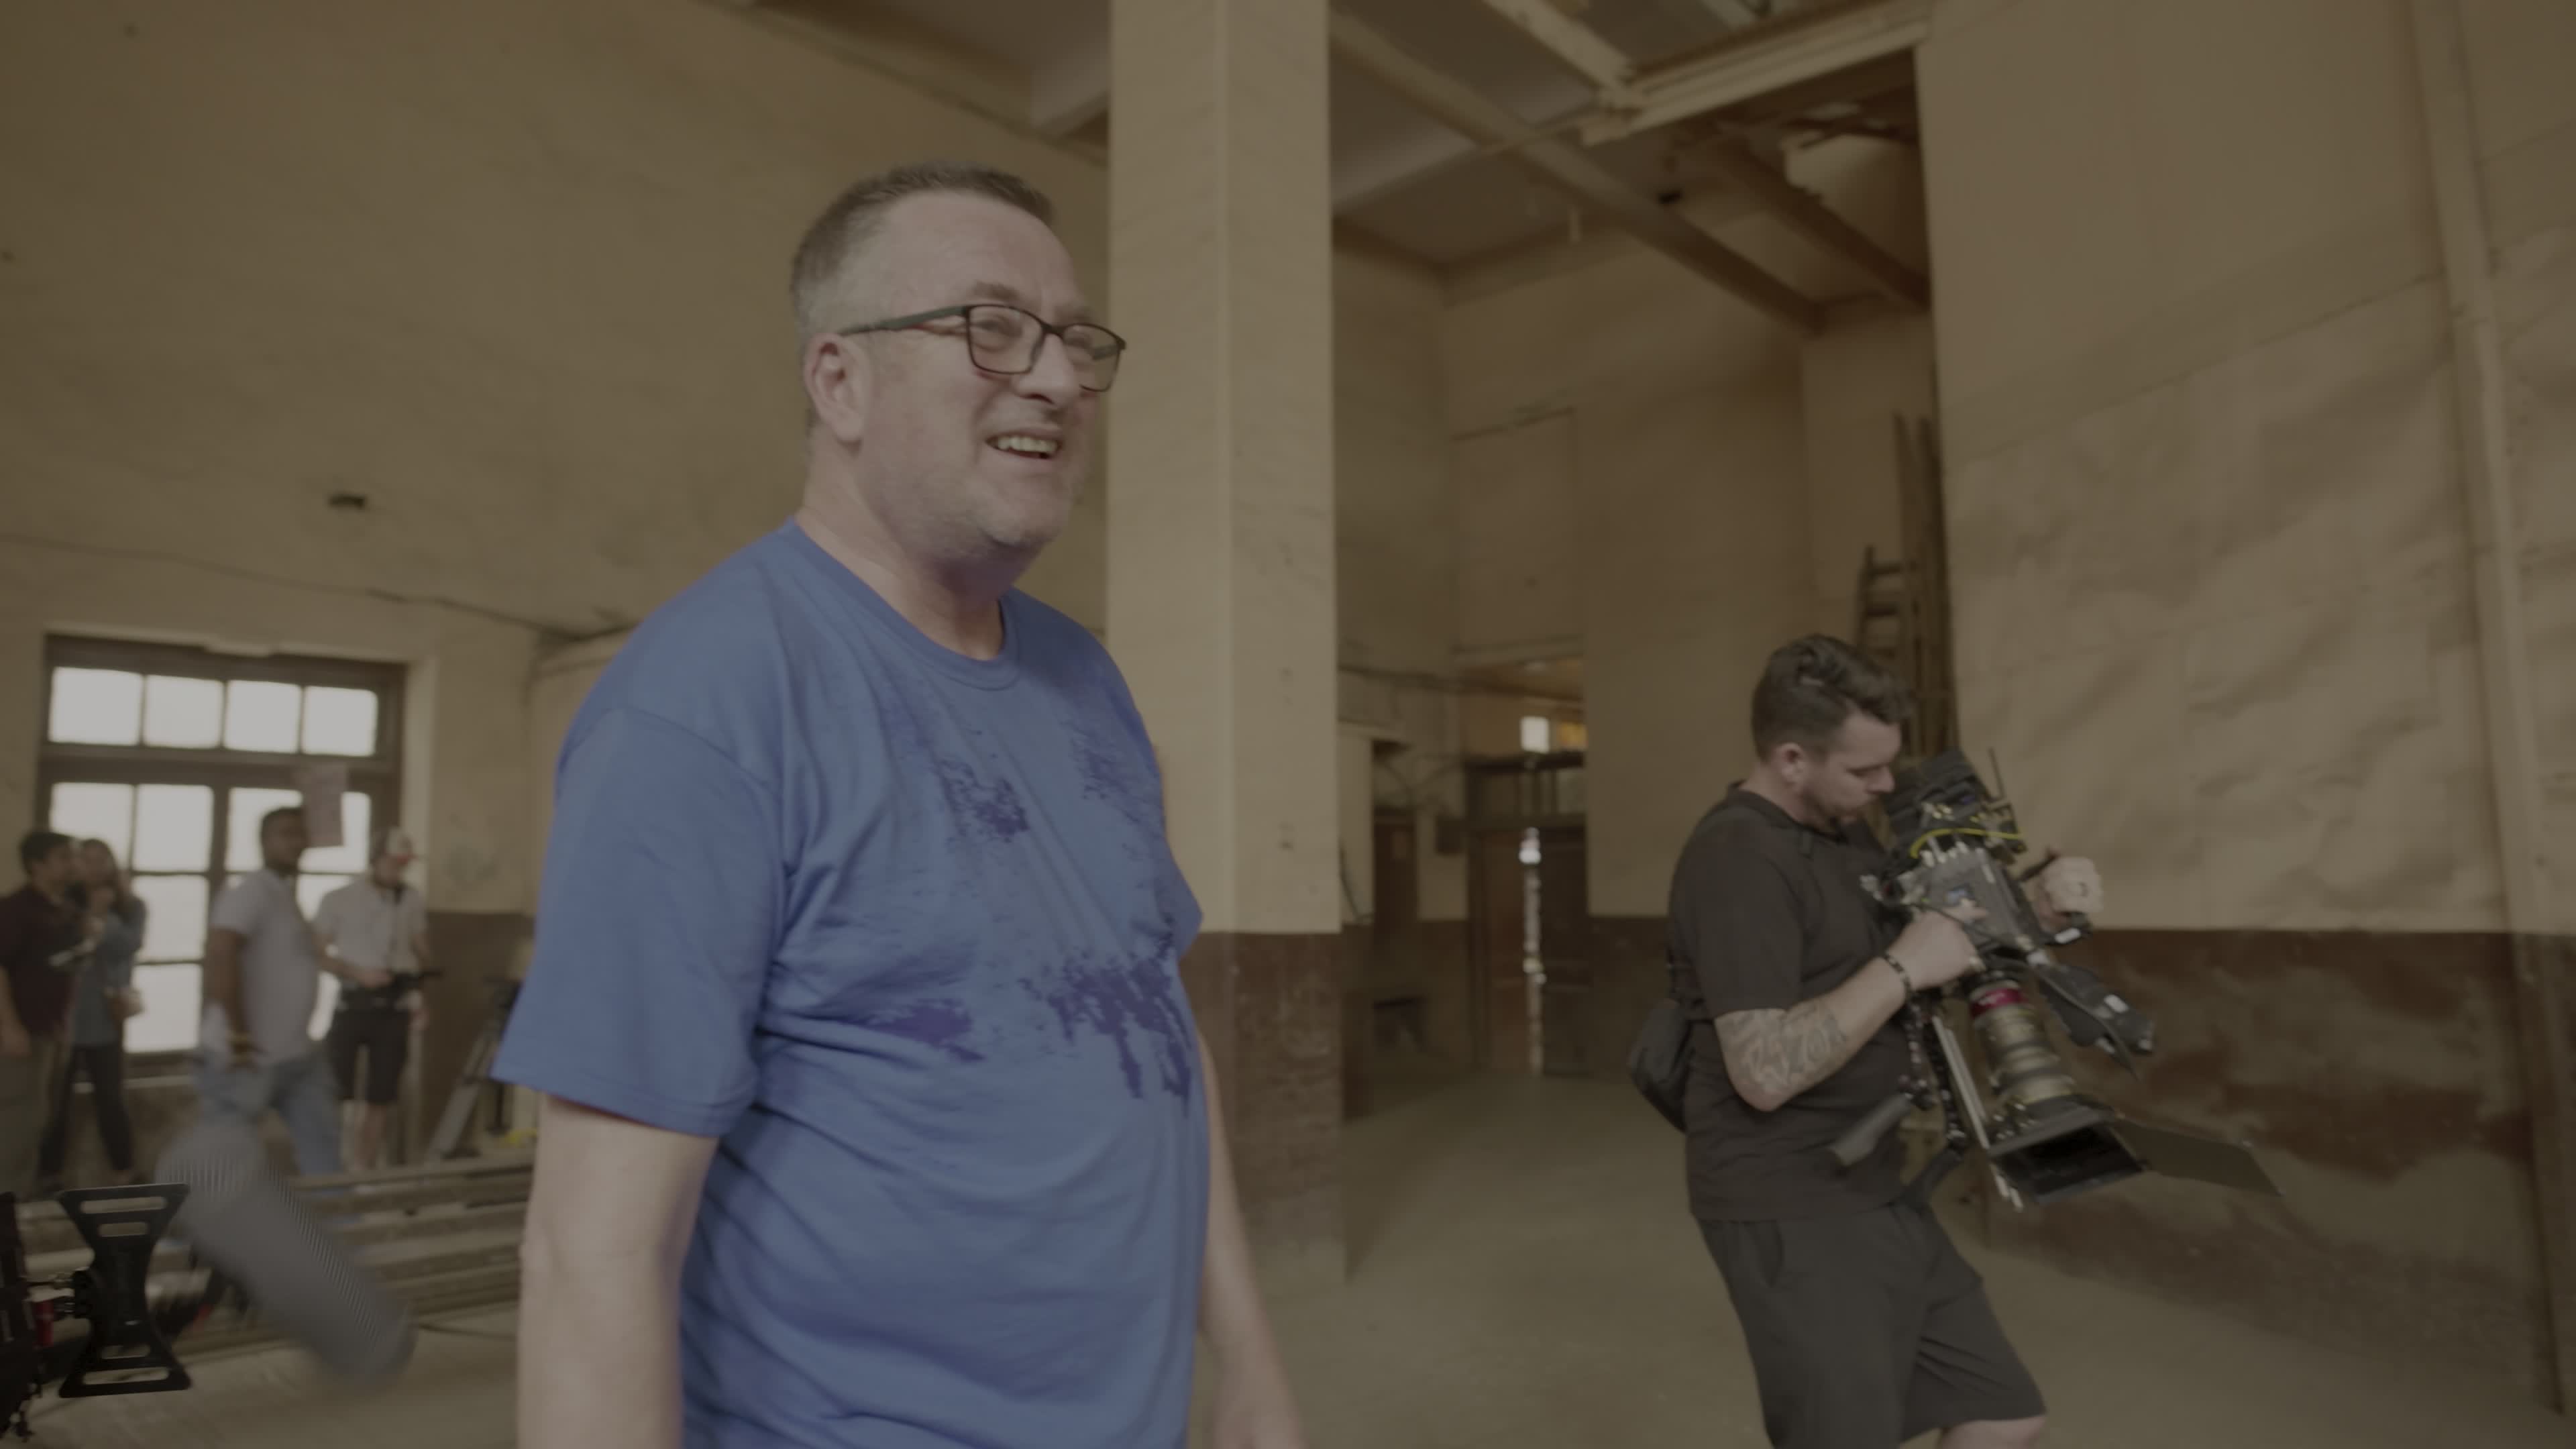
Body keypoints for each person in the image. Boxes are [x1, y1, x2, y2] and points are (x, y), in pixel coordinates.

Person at [490, 161, 1307, 1449]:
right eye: (992, 327)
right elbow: (592, 1256)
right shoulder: (707, 702)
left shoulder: (1084, 677)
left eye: (1074, 339)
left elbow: (1151, 1023)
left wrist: (1248, 1360)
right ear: (841, 382)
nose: (1056, 378)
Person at [1668, 636, 2103, 1449]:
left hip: (1874, 1181)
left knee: (2002, 1412)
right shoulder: (1737, 860)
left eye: (1888, 765)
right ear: (1791, 759)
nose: (1885, 786)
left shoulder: (1844, 834)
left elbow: (1931, 949)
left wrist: (2036, 911)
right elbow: (1762, 1071)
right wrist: (1903, 966)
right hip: (1788, 1196)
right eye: (1863, 770)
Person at [199, 805, 386, 1177]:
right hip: (246, 1057)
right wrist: (239, 1037)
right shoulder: (251, 891)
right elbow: (220, 953)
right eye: (286, 834)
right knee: (225, 1165)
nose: (297, 842)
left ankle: (336, 1212)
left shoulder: (283, 895)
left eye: (301, 834)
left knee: (324, 1150)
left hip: (295, 1057)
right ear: (264, 842)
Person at [314, 827, 432, 1170]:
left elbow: (422, 951)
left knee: (382, 1093)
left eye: (405, 864)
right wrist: (355, 973)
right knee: (338, 1090)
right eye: (394, 863)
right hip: (354, 1001)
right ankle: (333, 1164)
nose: (399, 870)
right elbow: (316, 953)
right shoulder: (339, 899)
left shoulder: (411, 899)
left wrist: (422, 997)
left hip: (395, 1003)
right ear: (376, 859)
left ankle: (363, 1167)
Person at [38, 838, 147, 1192]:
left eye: (101, 859)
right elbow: (60, 952)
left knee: (111, 1099)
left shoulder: (132, 906)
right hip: (64, 1017)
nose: (94, 867)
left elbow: (127, 946)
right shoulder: (63, 905)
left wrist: (104, 916)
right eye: (85, 859)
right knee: (56, 1102)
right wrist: (91, 917)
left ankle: (124, 1171)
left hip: (106, 1015)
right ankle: (49, 1176)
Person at [1, 831, 91, 1199]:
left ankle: (21, 1200)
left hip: (55, 1030)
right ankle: (9, 1205)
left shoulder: (66, 909)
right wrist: (9, 1027)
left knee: (42, 1120)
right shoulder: (15, 909)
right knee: (19, 1120)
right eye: (63, 858)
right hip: (23, 1031)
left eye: (73, 857)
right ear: (36, 865)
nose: (73, 865)